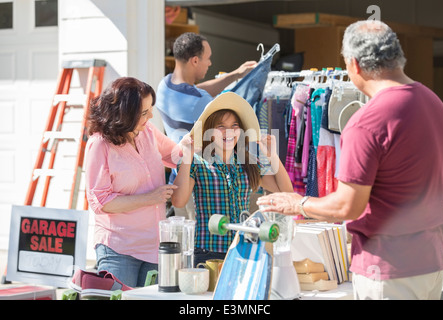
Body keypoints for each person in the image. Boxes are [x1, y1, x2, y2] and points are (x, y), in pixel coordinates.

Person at [257, 20, 443, 300]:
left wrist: (297, 202)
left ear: (354, 65)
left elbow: (347, 205)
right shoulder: (435, 104)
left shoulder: (367, 121)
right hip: (430, 263)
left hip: (387, 269)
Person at [171, 92, 293, 265]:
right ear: (209, 132)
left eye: (234, 125)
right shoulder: (196, 161)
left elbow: (286, 192)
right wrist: (187, 156)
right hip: (208, 254)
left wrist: (272, 155)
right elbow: (178, 201)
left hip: (243, 250)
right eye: (221, 126)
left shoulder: (248, 162)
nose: (229, 131)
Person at [85, 77, 181, 287]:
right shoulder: (99, 144)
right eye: (144, 112)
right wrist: (150, 198)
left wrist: (205, 139)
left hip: (154, 247)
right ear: (124, 113)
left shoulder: (147, 132)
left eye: (150, 110)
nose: (151, 116)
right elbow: (100, 202)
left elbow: (177, 154)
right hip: (118, 249)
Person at [156, 32, 257, 220]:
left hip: (178, 179)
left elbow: (198, 90)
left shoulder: (165, 85)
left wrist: (234, 75)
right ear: (195, 60)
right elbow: (205, 98)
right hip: (202, 185)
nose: (210, 63)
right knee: (208, 242)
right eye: (208, 59)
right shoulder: (201, 102)